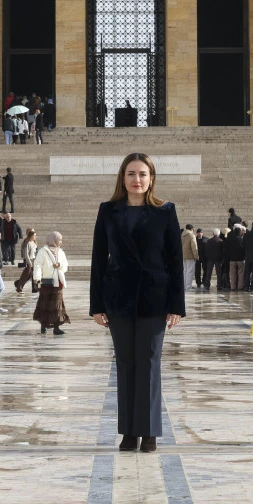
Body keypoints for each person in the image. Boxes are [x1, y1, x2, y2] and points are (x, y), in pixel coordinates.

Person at [89, 153, 185, 454]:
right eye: (131, 173)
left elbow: (175, 260)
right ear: (123, 178)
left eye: (143, 174)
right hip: (118, 297)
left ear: (152, 178)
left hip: (154, 298)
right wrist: (96, 304)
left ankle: (149, 431)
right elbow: (98, 259)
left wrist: (177, 305)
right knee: (126, 365)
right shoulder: (108, 211)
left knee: (149, 364)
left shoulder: (165, 211)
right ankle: (129, 432)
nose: (137, 179)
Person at [33, 231, 70, 335]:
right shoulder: (43, 251)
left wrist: (60, 265)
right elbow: (38, 265)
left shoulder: (61, 252)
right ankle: (43, 326)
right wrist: (37, 277)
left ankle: (56, 327)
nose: (60, 242)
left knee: (57, 305)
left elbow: (65, 265)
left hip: (58, 283)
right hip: (46, 282)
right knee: (45, 304)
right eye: (59, 240)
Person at [15, 228, 39, 293]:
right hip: (29, 260)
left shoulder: (34, 242)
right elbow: (26, 253)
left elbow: (36, 251)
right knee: (26, 274)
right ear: (31, 235)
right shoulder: (27, 242)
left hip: (34, 260)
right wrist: (29, 262)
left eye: (35, 235)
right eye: (34, 235)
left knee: (32, 274)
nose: (35, 237)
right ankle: (19, 287)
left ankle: (19, 284)